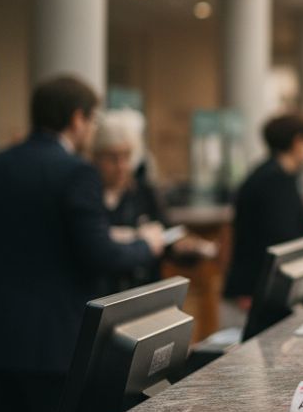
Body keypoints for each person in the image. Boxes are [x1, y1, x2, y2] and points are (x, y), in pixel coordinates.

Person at [0, 76, 166, 412]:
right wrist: (145, 245)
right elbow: (99, 255)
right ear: (77, 118)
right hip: (52, 344)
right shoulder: (76, 173)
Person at [92, 109, 214, 292]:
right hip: (104, 292)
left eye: (126, 157)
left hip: (143, 288)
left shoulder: (143, 192)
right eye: (112, 158)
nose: (120, 166)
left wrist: (180, 246)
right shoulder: (88, 196)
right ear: (96, 158)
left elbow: (165, 233)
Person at [223, 112, 303, 311]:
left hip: (261, 286)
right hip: (254, 288)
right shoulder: (272, 179)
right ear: (298, 142)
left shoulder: (279, 175)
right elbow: (282, 233)